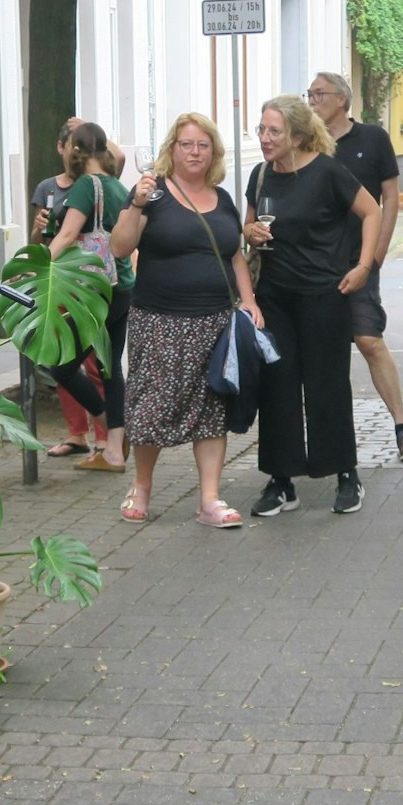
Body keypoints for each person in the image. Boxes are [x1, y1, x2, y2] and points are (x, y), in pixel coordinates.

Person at [110, 113, 259, 529]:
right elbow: (120, 248)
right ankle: (141, 488)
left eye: (202, 145)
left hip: (213, 321)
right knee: (151, 405)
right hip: (159, 319)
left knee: (211, 408)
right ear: (171, 149)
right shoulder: (151, 194)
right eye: (186, 144)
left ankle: (209, 500)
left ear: (213, 151)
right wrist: (136, 203)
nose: (194, 152)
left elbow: (234, 255)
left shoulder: (222, 198)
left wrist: (248, 302)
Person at [242, 94, 379, 517]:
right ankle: (281, 481)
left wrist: (362, 266)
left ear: (298, 136)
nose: (265, 138)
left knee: (327, 383)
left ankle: (345, 474)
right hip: (275, 298)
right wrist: (250, 231)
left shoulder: (327, 171)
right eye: (262, 129)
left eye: (274, 131)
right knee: (278, 386)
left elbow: (371, 212)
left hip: (324, 294)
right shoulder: (261, 175)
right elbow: (247, 224)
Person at [307, 72, 403, 461]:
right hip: (317, 262)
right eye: (310, 94)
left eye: (319, 94)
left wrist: (378, 253)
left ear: (342, 100)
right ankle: (328, 433)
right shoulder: (306, 141)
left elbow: (389, 196)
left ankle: (402, 425)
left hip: (359, 259)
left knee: (368, 339)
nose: (313, 99)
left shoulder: (372, 138)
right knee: (323, 349)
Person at [44, 122, 134, 480]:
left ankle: (104, 422)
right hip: (122, 284)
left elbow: (66, 236)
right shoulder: (117, 186)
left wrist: (37, 270)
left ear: (75, 149)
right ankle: (114, 448)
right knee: (111, 368)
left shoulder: (85, 186)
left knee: (61, 362)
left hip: (94, 290)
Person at [29, 122, 105, 460]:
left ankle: (105, 435)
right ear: (60, 148)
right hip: (55, 282)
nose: (74, 153)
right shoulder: (46, 187)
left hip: (86, 283)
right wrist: (36, 230)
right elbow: (39, 242)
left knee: (95, 362)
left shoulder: (95, 185)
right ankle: (77, 434)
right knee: (59, 357)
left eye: (80, 147)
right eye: (70, 146)